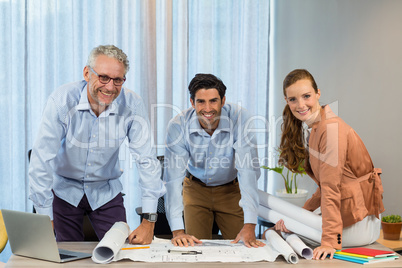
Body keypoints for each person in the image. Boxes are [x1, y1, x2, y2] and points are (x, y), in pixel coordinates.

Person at [29, 45, 166, 244]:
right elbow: (41, 160)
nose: (110, 87)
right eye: (103, 77)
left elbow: (147, 161)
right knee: (66, 256)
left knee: (121, 253)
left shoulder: (132, 105)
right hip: (64, 190)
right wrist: (45, 218)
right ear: (87, 73)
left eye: (117, 80)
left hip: (106, 192)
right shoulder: (62, 101)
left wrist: (149, 221)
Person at [264, 69, 384, 260]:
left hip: (358, 225)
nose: (300, 105)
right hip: (351, 218)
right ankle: (284, 226)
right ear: (286, 101)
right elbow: (324, 188)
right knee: (269, 208)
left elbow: (330, 188)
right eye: (293, 99)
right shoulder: (317, 128)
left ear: (318, 93)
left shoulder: (330, 129)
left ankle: (284, 229)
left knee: (264, 204)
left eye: (306, 96)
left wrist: (329, 241)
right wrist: (300, 215)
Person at [164, 73, 265, 248]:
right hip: (195, 190)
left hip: (231, 191)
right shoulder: (178, 125)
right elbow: (173, 179)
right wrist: (178, 231)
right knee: (195, 249)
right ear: (192, 102)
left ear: (223, 100)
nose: (207, 108)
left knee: (243, 247)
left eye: (213, 101)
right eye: (201, 101)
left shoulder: (240, 118)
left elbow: (247, 171)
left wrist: (250, 224)